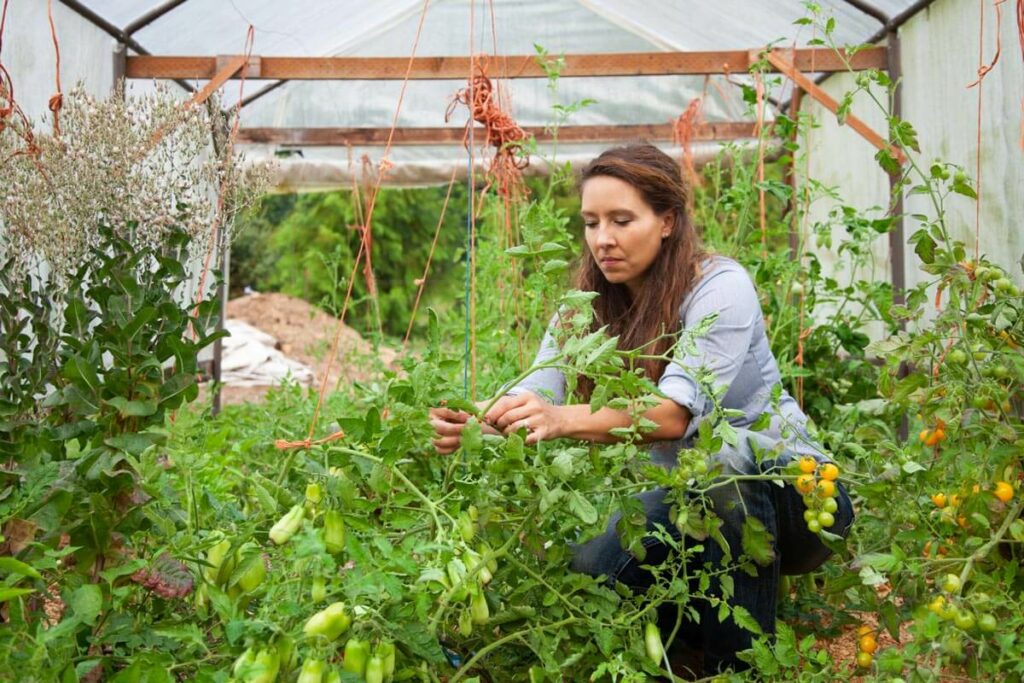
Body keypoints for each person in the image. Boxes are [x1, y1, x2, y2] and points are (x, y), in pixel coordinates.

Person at [429, 143, 853, 676]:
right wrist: (479, 420)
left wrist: (561, 420)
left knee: (720, 465)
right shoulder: (584, 304)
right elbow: (541, 389)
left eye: (622, 220)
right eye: (591, 223)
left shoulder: (719, 287)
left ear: (668, 220)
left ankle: (740, 668)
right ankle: (692, 637)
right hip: (683, 500)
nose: (602, 239)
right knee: (591, 567)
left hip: (802, 499)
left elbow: (674, 415)